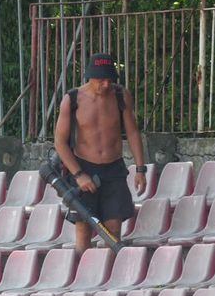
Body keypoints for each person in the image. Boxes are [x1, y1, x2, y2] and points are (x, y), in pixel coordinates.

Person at [53, 52, 148, 253]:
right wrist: (78, 175)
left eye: (109, 80)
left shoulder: (121, 95)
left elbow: (132, 132)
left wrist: (140, 168)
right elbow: (60, 142)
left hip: (114, 169)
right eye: (101, 80)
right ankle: (82, 277)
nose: (106, 84)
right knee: (84, 228)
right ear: (90, 77)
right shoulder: (72, 99)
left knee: (113, 229)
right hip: (84, 166)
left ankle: (110, 277)